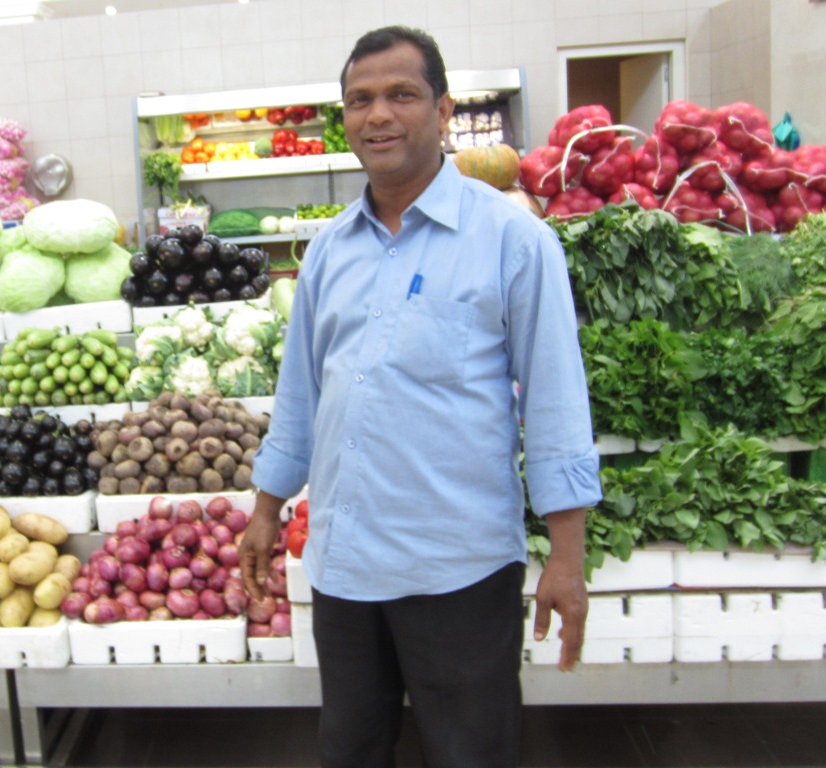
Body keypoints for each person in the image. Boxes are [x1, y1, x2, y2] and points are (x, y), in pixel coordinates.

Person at [239, 25, 603, 768]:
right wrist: (267, 508)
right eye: (360, 100)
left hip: (458, 568)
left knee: (470, 753)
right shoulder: (330, 252)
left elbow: (557, 406)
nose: (379, 115)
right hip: (345, 567)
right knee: (351, 748)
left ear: (442, 113)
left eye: (401, 95)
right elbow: (303, 394)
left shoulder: (513, 239)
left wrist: (567, 557)